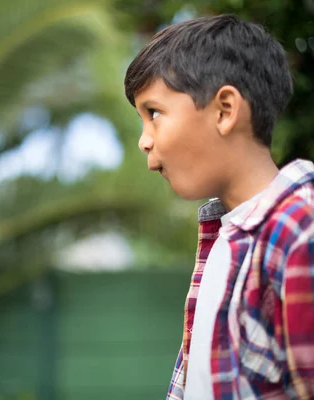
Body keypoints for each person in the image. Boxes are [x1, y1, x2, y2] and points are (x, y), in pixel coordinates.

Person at [124, 14, 314, 399]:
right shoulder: (224, 237)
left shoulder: (298, 231)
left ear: (225, 110)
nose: (144, 141)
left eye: (154, 113)